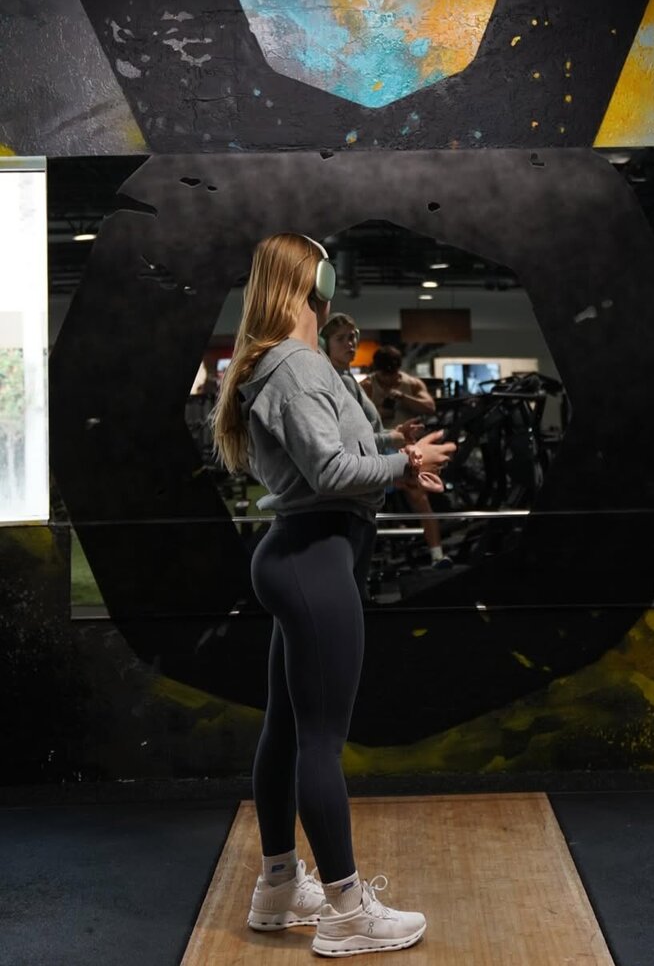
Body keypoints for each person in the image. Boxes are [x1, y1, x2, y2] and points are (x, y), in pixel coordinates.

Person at [210, 233, 454, 957]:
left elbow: (344, 453)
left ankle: (279, 887)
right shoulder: (292, 365)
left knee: (288, 731)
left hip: (309, 553)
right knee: (320, 741)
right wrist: (403, 462)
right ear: (315, 279)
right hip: (313, 556)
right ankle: (347, 910)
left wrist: (395, 455)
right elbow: (328, 471)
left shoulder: (297, 363)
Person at [362, 346, 452, 568]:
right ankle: (362, 560)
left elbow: (430, 406)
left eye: (393, 375)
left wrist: (402, 398)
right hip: (378, 448)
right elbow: (355, 419)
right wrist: (380, 411)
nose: (390, 379)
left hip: (407, 449)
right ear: (377, 370)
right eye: (385, 375)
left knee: (420, 498)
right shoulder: (366, 386)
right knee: (365, 503)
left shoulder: (411, 384)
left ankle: (437, 555)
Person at [319, 313, 425, 454]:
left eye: (351, 337)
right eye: (340, 339)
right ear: (325, 345)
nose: (349, 343)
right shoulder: (340, 381)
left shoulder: (347, 378)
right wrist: (390, 438)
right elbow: (350, 440)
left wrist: (395, 432)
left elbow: (368, 431)